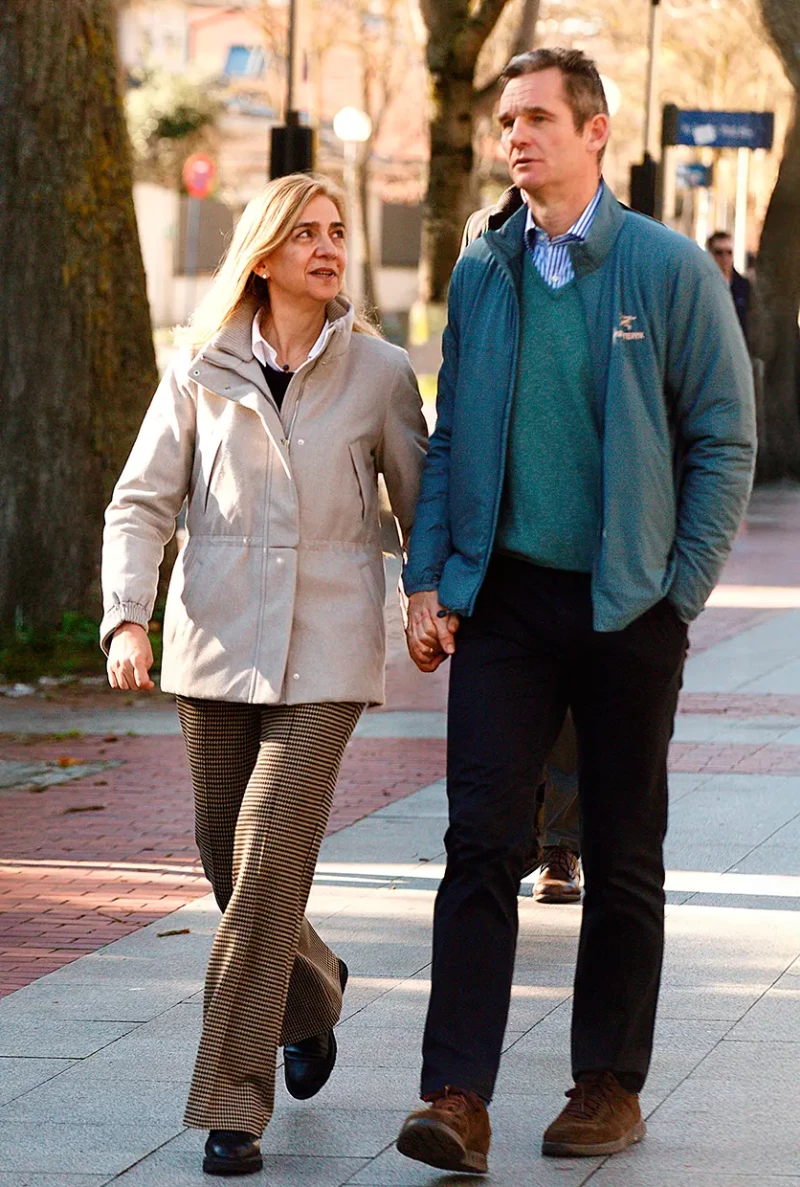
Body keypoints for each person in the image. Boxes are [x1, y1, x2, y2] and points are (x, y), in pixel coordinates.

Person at [396, 47, 756, 1174]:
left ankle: (604, 1084)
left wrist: (673, 594)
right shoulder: (481, 266)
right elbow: (450, 435)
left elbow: (722, 438)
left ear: (595, 133)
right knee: (477, 841)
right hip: (502, 599)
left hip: (624, 608)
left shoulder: (660, 268)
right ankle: (455, 1093)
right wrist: (429, 576)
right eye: (506, 120)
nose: (517, 137)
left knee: (620, 848)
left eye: (539, 118)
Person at [100, 172, 427, 1177]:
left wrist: (428, 595)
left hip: (325, 653)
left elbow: (423, 499)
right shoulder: (200, 369)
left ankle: (230, 1102)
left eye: (338, 233)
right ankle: (313, 986)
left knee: (264, 848)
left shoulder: (377, 371)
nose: (329, 249)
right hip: (214, 645)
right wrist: (126, 613)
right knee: (221, 847)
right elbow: (140, 502)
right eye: (307, 234)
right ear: (263, 253)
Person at [463, 185, 582, 908]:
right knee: (505, 706)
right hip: (496, 531)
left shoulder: (616, 242)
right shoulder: (488, 233)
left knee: (567, 708)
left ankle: (561, 847)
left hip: (574, 529)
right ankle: (513, 839)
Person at [707, 230, 751, 344]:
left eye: (729, 252)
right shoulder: (703, 286)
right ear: (710, 254)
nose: (724, 257)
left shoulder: (744, 287)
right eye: (719, 252)